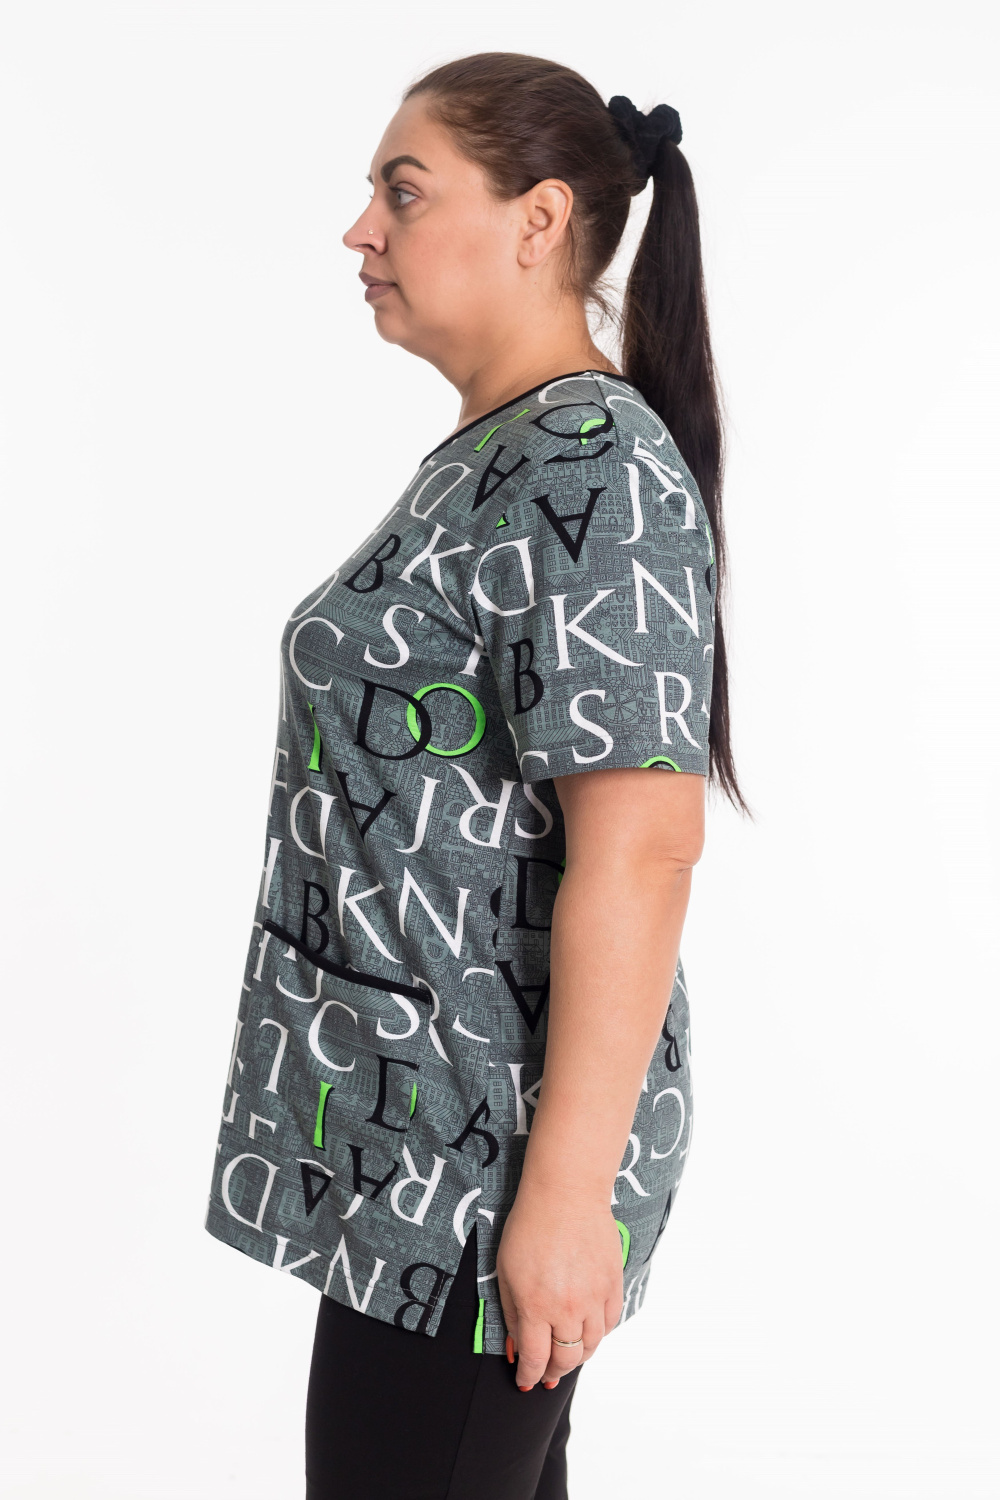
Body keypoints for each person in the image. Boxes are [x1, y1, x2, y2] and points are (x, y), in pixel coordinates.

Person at [204, 50, 743, 1500]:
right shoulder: (501, 451)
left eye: (404, 190)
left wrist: (562, 1201)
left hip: (480, 1165)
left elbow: (644, 846)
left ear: (538, 218)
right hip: (413, 1146)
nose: (361, 230)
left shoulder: (590, 464)